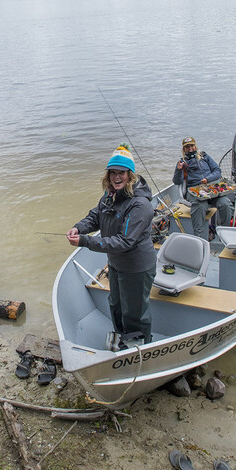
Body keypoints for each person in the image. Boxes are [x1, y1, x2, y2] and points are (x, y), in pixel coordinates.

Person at [67, 144, 156, 350]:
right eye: (113, 173)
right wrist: (78, 228)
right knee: (116, 305)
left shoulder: (140, 205)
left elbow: (124, 242)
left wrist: (85, 241)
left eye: (122, 173)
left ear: (130, 175)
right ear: (108, 175)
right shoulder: (110, 195)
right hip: (115, 264)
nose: (117, 177)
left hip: (136, 268)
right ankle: (124, 339)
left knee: (135, 312)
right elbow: (96, 216)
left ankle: (140, 349)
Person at [172, 136, 233, 240]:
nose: (190, 148)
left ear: (195, 146)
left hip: (211, 189)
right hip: (195, 192)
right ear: (184, 149)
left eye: (192, 146)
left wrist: (208, 179)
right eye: (187, 147)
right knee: (200, 206)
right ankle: (199, 238)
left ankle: (225, 232)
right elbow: (177, 181)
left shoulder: (204, 156)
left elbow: (217, 171)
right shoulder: (182, 162)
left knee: (225, 204)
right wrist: (178, 170)